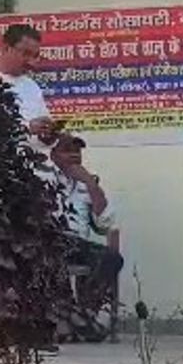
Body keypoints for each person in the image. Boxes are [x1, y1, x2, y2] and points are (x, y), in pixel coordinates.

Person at [49, 133, 123, 339]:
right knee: (54, 258)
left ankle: (84, 312)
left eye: (77, 151)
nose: (74, 155)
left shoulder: (87, 183)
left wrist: (91, 184)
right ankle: (73, 320)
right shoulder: (46, 179)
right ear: (54, 156)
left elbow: (104, 222)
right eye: (67, 151)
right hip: (51, 241)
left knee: (112, 258)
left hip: (78, 244)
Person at [0, 23, 60, 149]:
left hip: (30, 158)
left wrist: (49, 135)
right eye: (26, 53)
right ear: (6, 48)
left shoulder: (32, 86)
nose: (30, 61)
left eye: (35, 55)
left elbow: (42, 137)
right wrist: (27, 128)